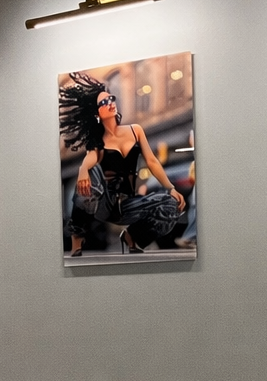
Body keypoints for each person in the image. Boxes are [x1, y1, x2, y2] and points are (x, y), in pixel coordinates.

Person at [60, 73, 185, 257]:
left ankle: (132, 237)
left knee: (172, 205)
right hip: (105, 204)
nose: (110, 103)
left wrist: (171, 188)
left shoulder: (135, 131)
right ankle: (77, 237)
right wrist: (83, 169)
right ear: (96, 113)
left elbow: (152, 161)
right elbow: (91, 157)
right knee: (90, 173)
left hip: (128, 204)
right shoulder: (98, 140)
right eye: (104, 102)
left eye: (111, 99)